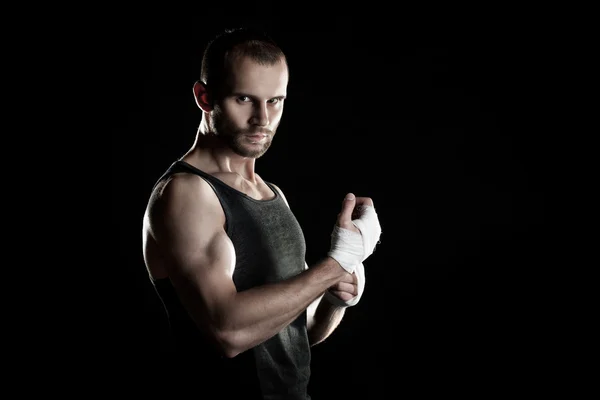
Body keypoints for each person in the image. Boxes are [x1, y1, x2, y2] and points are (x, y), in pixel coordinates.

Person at [141, 27, 382, 399]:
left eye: (275, 101)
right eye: (244, 99)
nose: (262, 119)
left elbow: (295, 335)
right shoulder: (186, 194)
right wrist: (336, 263)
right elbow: (229, 333)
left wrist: (335, 297)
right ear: (204, 97)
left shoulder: (272, 194)